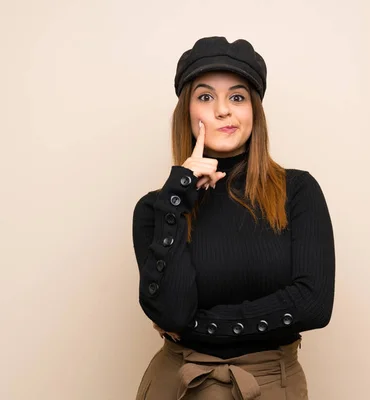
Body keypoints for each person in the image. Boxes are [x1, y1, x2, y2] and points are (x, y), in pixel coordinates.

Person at [132, 36, 336, 399]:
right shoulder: (158, 209)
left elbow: (313, 305)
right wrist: (179, 193)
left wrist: (206, 326)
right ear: (187, 112)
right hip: (176, 384)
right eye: (206, 96)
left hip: (271, 385)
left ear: (254, 111)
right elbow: (173, 314)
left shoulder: (297, 191)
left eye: (237, 97)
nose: (223, 110)